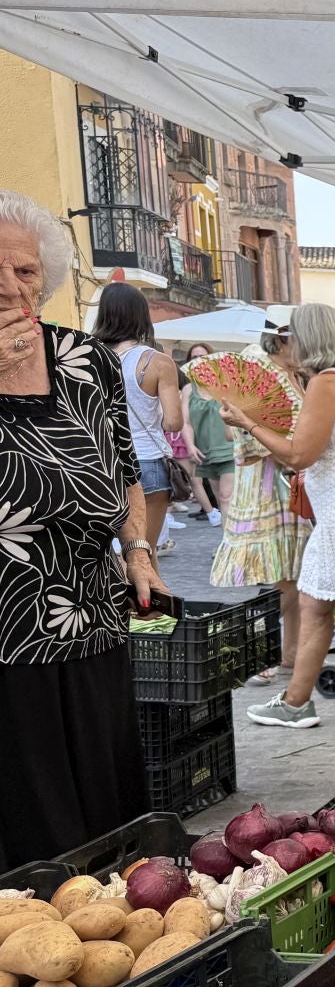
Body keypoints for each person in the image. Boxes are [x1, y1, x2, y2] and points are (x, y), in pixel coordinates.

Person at [0, 190, 158, 858]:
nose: (9, 287)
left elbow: (123, 470)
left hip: (91, 616)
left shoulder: (85, 360)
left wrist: (140, 550)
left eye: (25, 271)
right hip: (8, 637)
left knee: (104, 802)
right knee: (30, 819)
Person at [218, 303, 335, 728]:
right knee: (315, 604)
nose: (288, 342)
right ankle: (296, 701)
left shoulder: (325, 383)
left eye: (293, 334)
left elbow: (299, 454)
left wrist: (247, 422)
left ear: (309, 338)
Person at [210, 323, 309, 687]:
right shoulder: (259, 371)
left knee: (294, 576)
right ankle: (256, 653)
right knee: (275, 577)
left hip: (291, 485)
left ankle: (290, 652)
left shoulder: (294, 374)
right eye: (302, 338)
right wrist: (286, 450)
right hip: (270, 486)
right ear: (283, 339)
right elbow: (238, 433)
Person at [93, 282, 181, 553]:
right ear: (142, 315)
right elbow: (173, 422)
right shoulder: (157, 362)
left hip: (100, 463)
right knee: (144, 553)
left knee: (108, 557)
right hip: (146, 460)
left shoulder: (87, 357)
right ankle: (152, 597)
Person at [181, 344, 234, 525]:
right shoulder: (189, 389)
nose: (197, 360)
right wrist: (190, 446)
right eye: (193, 357)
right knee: (220, 499)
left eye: (202, 356)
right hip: (205, 452)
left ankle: (229, 547)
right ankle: (226, 542)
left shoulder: (225, 385)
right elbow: (186, 422)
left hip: (228, 450)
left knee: (227, 497)